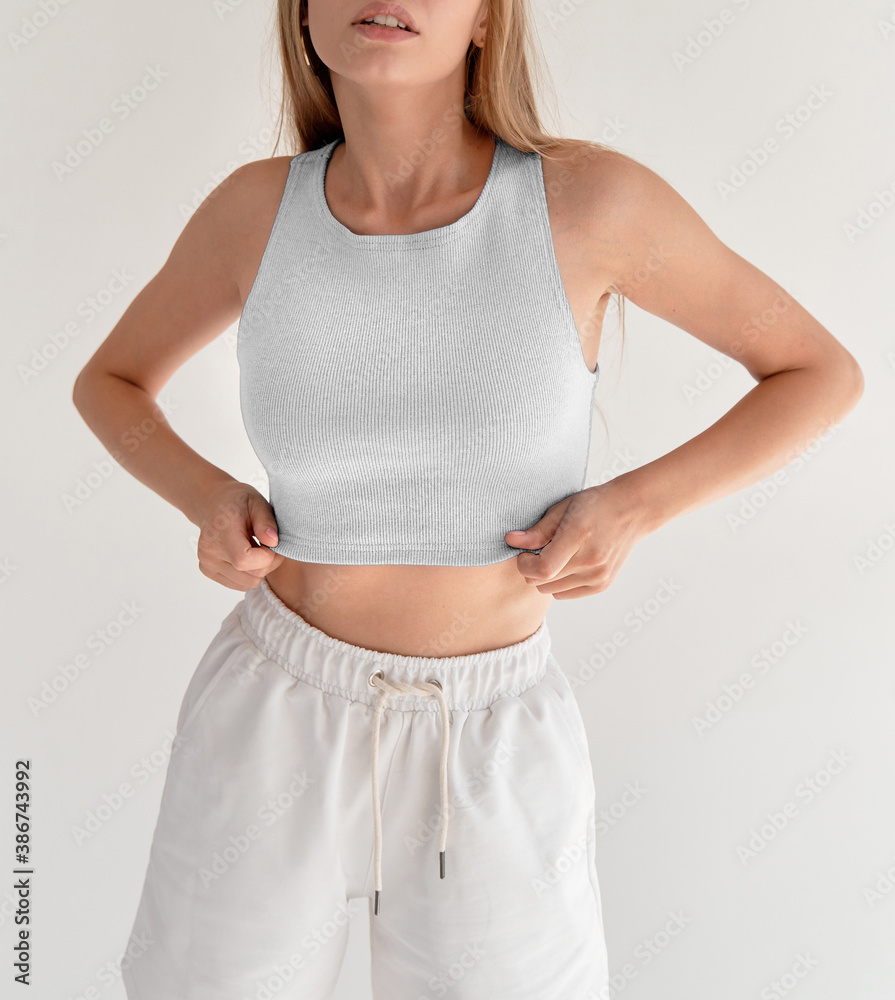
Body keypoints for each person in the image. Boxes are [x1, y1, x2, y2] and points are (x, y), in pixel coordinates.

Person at [71, 1, 864, 997]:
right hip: (274, 713)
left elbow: (815, 371)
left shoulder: (589, 203)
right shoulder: (254, 212)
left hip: (489, 735)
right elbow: (111, 381)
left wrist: (633, 505)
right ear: (305, 14)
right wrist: (205, 496)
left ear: (487, 18)